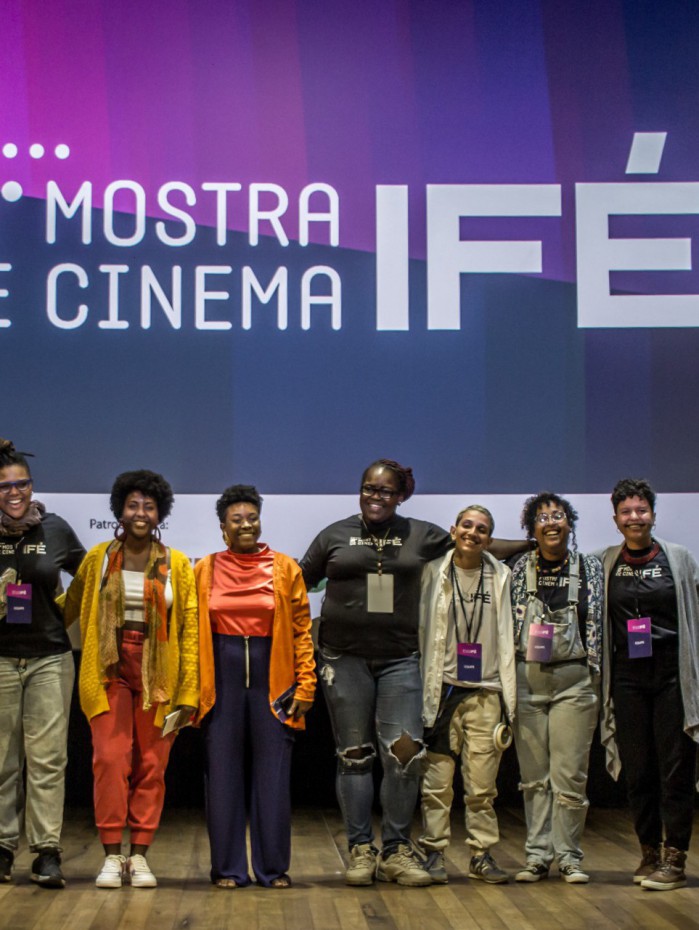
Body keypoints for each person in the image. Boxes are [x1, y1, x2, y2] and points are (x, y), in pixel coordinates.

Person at [300, 459, 525, 887]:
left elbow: (476, 548)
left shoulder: (421, 534)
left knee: (404, 756)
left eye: (385, 491)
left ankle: (398, 850)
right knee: (354, 757)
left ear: (401, 495)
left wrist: (535, 545)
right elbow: (298, 582)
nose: (375, 497)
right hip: (342, 660)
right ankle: (361, 849)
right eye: (368, 489)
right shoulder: (333, 535)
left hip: (402, 660)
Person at [63, 470, 205, 889]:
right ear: (119, 511)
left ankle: (139, 856)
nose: (140, 513)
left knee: (151, 766)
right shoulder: (99, 558)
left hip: (161, 673)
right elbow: (69, 606)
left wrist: (190, 691)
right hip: (109, 671)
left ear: (159, 513)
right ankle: (111, 856)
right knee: (109, 760)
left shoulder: (177, 563)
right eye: (132, 505)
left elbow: (191, 630)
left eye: (149, 506)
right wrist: (23, 609)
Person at [195, 485, 315, 889]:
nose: (246, 524)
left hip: (273, 679)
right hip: (222, 681)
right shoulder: (204, 569)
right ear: (222, 528)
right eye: (237, 519)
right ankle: (228, 869)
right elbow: (190, 635)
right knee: (223, 776)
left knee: (273, 778)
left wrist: (306, 685)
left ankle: (272, 869)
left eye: (252, 518)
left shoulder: (285, 568)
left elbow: (301, 631)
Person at [599, 478, 699, 891]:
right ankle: (649, 853)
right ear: (616, 519)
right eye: (626, 512)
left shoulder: (678, 558)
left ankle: (675, 855)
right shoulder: (605, 561)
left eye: (641, 510)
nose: (634, 517)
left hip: (672, 675)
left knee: (675, 769)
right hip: (627, 678)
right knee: (637, 769)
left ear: (653, 515)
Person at [0, 438, 85, 888]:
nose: (14, 493)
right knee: (1, 762)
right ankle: (1, 847)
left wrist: (63, 611)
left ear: (32, 486)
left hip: (50, 658)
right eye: (4, 487)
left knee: (48, 760)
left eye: (22, 484)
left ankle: (46, 852)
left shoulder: (54, 529)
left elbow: (89, 575)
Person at [418, 505, 516, 885]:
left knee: (482, 787)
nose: (473, 533)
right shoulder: (433, 573)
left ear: (490, 539)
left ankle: (481, 854)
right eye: (467, 525)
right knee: (437, 784)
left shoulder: (503, 577)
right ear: (453, 529)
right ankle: (434, 853)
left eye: (482, 529)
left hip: (486, 692)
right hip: (442, 691)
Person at [510, 492, 602, 884]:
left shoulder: (590, 568)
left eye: (558, 516)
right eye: (542, 517)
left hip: (574, 681)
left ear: (569, 523)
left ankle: (569, 857)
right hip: (527, 679)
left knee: (570, 775)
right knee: (534, 777)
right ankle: (536, 856)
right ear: (532, 529)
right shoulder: (517, 569)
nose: (551, 522)